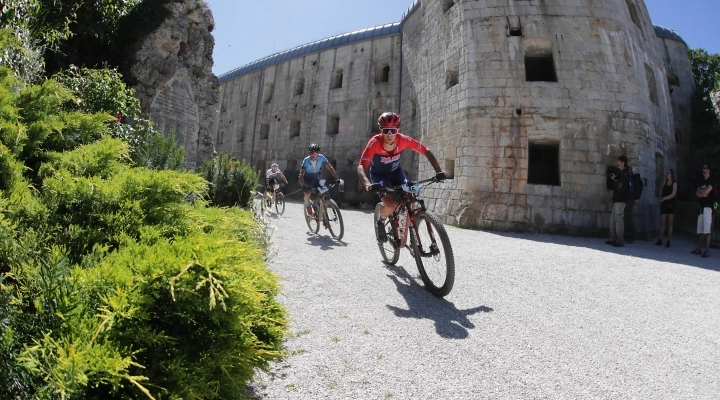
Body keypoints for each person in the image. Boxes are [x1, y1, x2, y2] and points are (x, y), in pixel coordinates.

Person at [357, 112, 446, 242]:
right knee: (392, 204)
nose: (389, 134)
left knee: (413, 195)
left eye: (392, 130)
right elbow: (361, 166)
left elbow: (426, 151)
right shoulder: (374, 143)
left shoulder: (403, 140)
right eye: (385, 130)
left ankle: (411, 229)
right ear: (380, 130)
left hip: (396, 173)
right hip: (379, 176)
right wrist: (367, 184)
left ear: (397, 130)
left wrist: (438, 171)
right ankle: (381, 221)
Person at [299, 144, 339, 216]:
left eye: (314, 153)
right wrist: (303, 186)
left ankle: (322, 213)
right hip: (307, 179)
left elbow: (330, 168)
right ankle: (309, 209)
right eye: (311, 153)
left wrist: (336, 178)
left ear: (318, 153)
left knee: (323, 192)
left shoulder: (322, 158)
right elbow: (301, 175)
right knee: (307, 194)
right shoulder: (306, 160)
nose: (313, 155)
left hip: (315, 179)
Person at [606, 155, 631, 247]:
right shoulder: (622, 173)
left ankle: (620, 240)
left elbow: (620, 186)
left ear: (623, 162)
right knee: (613, 220)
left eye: (619, 162)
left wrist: (614, 180)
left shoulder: (625, 173)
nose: (618, 164)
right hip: (617, 200)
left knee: (619, 220)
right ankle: (613, 238)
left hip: (621, 200)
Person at [691, 164, 714, 258]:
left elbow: (706, 191)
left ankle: (707, 250)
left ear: (709, 170)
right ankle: (699, 249)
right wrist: (702, 193)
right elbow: (697, 193)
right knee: (700, 230)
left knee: (707, 230)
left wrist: (702, 192)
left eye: (705, 168)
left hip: (708, 207)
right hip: (701, 207)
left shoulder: (711, 181)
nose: (703, 170)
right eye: (703, 168)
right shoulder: (701, 182)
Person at [655, 168, 677, 248]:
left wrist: (664, 198)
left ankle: (668, 240)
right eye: (667, 173)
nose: (667, 174)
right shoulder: (665, 182)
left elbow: (673, 194)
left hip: (671, 204)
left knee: (670, 222)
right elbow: (661, 190)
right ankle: (660, 239)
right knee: (663, 222)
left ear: (671, 174)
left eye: (668, 173)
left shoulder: (674, 183)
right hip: (664, 204)